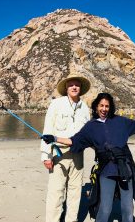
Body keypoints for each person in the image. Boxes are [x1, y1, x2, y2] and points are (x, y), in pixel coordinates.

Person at [42, 93, 135, 222]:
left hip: (125, 168)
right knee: (105, 208)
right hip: (106, 170)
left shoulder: (120, 121)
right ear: (96, 107)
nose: (104, 109)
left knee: (127, 208)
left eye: (107, 106)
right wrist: (54, 138)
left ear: (110, 107)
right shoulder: (90, 127)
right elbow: (74, 141)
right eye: (101, 105)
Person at [40, 73, 91, 222]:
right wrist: (45, 155)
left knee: (75, 192)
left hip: (78, 155)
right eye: (71, 85)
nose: (74, 87)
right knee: (56, 192)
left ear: (80, 88)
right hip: (58, 153)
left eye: (77, 85)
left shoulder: (85, 108)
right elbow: (47, 130)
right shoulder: (56, 104)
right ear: (66, 88)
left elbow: (88, 133)